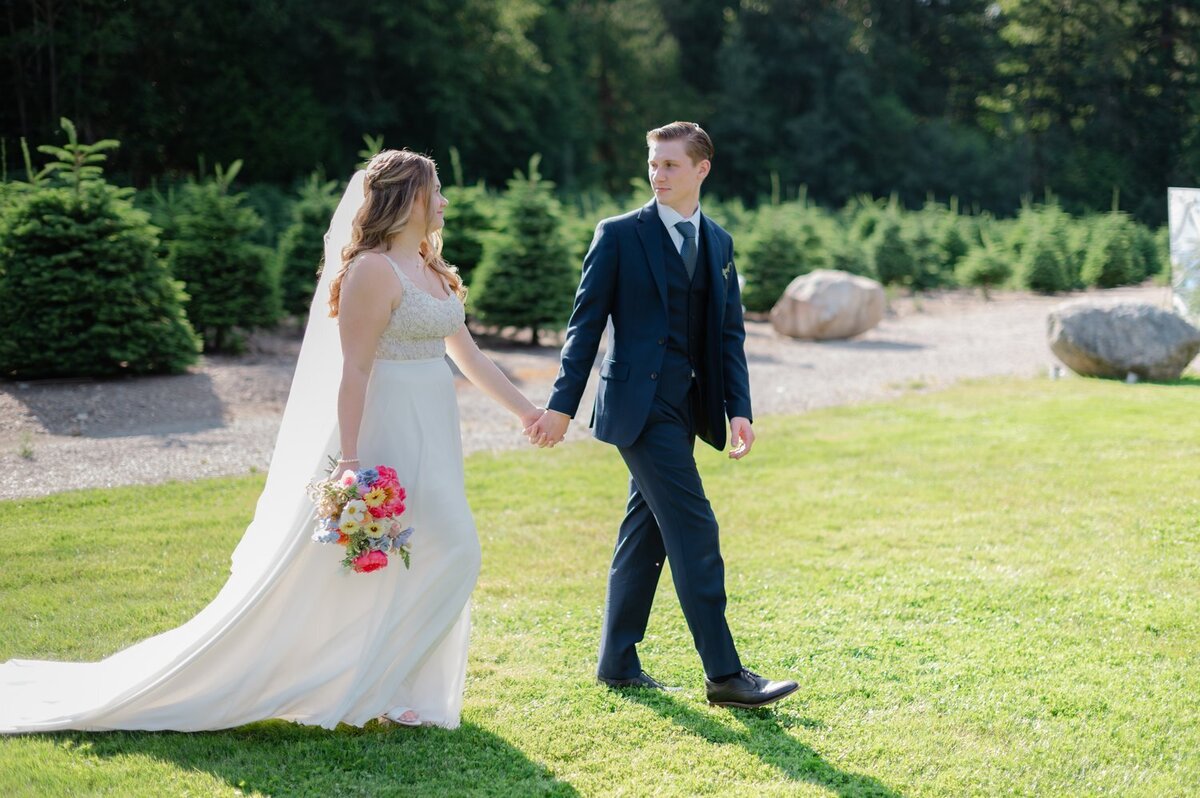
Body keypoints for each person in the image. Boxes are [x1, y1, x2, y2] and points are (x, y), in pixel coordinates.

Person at [0, 149, 543, 733]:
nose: (443, 201)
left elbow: (470, 356)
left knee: (447, 550)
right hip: (384, 429)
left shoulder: (433, 270)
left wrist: (527, 412)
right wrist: (352, 463)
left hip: (434, 432)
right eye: (434, 191)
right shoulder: (371, 272)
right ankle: (371, 684)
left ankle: (392, 684)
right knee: (403, 556)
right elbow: (355, 370)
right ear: (406, 198)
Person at [527, 122, 798, 708]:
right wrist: (561, 407)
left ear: (702, 169)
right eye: (653, 164)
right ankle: (725, 675)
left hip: (689, 407)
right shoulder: (619, 235)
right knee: (695, 527)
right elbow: (585, 326)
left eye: (671, 165)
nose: (658, 174)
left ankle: (617, 663)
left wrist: (739, 410)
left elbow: (730, 335)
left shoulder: (719, 243)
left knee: (643, 532)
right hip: (637, 408)